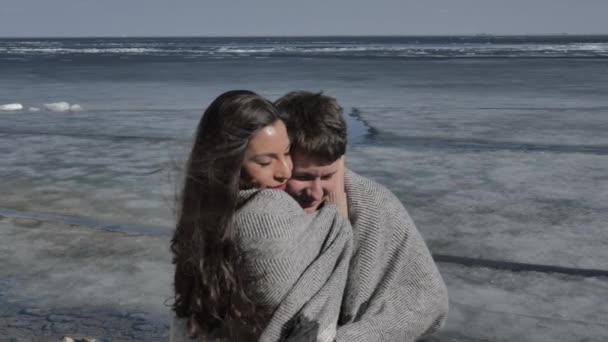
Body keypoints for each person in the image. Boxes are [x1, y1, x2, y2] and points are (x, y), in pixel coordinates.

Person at [170, 90, 353, 342]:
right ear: (229, 165)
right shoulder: (267, 213)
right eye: (266, 162)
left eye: (287, 152)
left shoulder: (202, 220)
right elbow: (337, 231)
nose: (285, 171)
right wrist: (338, 166)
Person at [275, 91, 450, 341]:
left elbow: (427, 299)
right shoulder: (253, 208)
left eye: (327, 177)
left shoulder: (373, 203)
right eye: (302, 177)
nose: (315, 192)